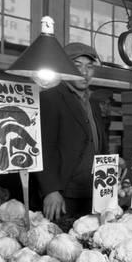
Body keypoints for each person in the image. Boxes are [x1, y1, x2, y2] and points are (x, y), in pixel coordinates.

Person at [34, 42, 109, 221]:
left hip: (93, 191)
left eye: (89, 67)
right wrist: (50, 190)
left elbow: (97, 143)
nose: (84, 72)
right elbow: (42, 147)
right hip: (63, 195)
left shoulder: (94, 104)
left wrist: (111, 164)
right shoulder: (49, 99)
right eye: (77, 66)